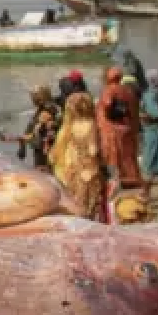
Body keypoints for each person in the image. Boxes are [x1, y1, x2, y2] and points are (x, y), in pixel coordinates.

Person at [51, 92, 106, 220]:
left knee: (78, 199)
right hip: (89, 168)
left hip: (75, 167)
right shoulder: (91, 124)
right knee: (93, 200)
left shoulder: (71, 126)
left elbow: (68, 148)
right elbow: (93, 150)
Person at [96, 67, 144, 188]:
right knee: (128, 156)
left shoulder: (109, 90)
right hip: (128, 127)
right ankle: (132, 179)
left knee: (115, 156)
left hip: (113, 129)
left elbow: (107, 105)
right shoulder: (128, 90)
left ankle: (121, 181)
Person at [0, 85, 60, 170]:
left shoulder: (45, 114)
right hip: (42, 151)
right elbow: (32, 133)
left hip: (44, 154)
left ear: (40, 99)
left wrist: (10, 138)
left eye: (34, 97)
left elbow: (34, 135)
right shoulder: (43, 110)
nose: (32, 100)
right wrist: (21, 144)